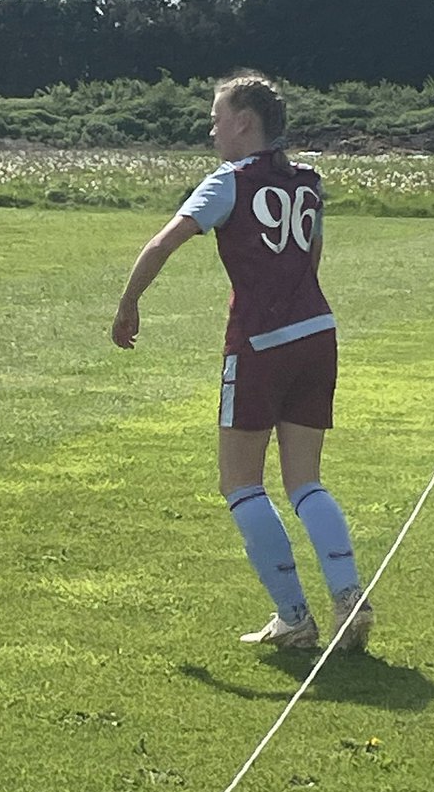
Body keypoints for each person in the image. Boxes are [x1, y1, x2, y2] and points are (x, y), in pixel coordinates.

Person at [111, 73, 373, 651]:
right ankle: (349, 594)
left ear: (245, 122)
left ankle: (295, 619)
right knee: (305, 480)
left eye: (217, 116)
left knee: (241, 482)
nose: (211, 129)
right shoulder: (309, 181)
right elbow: (314, 256)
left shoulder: (228, 181)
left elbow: (162, 243)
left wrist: (128, 304)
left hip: (259, 343)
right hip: (317, 334)